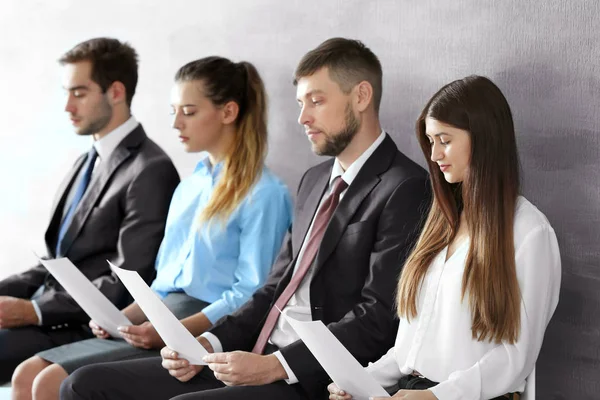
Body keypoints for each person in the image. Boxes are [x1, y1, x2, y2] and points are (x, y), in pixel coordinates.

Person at [60, 37, 432, 400]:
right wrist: (207, 342)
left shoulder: (405, 187)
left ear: (361, 96)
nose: (303, 117)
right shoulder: (314, 180)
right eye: (301, 102)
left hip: (309, 375)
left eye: (316, 101)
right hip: (250, 351)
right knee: (82, 384)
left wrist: (276, 365)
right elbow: (272, 288)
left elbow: (378, 319)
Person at [11, 56, 293, 400]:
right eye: (173, 110)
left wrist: (170, 330)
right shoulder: (188, 187)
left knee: (50, 381)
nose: (176, 123)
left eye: (188, 112)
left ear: (228, 112)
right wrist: (120, 318)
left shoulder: (265, 194)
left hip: (204, 326)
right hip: (161, 316)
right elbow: (162, 283)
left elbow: (250, 293)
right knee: (28, 375)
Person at [328, 75, 561, 400]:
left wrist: (438, 396)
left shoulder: (529, 233)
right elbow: (412, 346)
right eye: (430, 141)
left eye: (445, 140)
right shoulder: (442, 221)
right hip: (412, 390)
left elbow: (514, 358)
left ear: (483, 139)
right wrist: (361, 380)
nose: (434, 155)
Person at [0, 37, 180, 383]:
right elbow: (55, 261)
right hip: (52, 315)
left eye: (79, 93)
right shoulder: (86, 160)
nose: (68, 106)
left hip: (86, 327)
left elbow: (128, 280)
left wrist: (34, 311)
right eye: (67, 92)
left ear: (115, 92)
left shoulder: (150, 168)